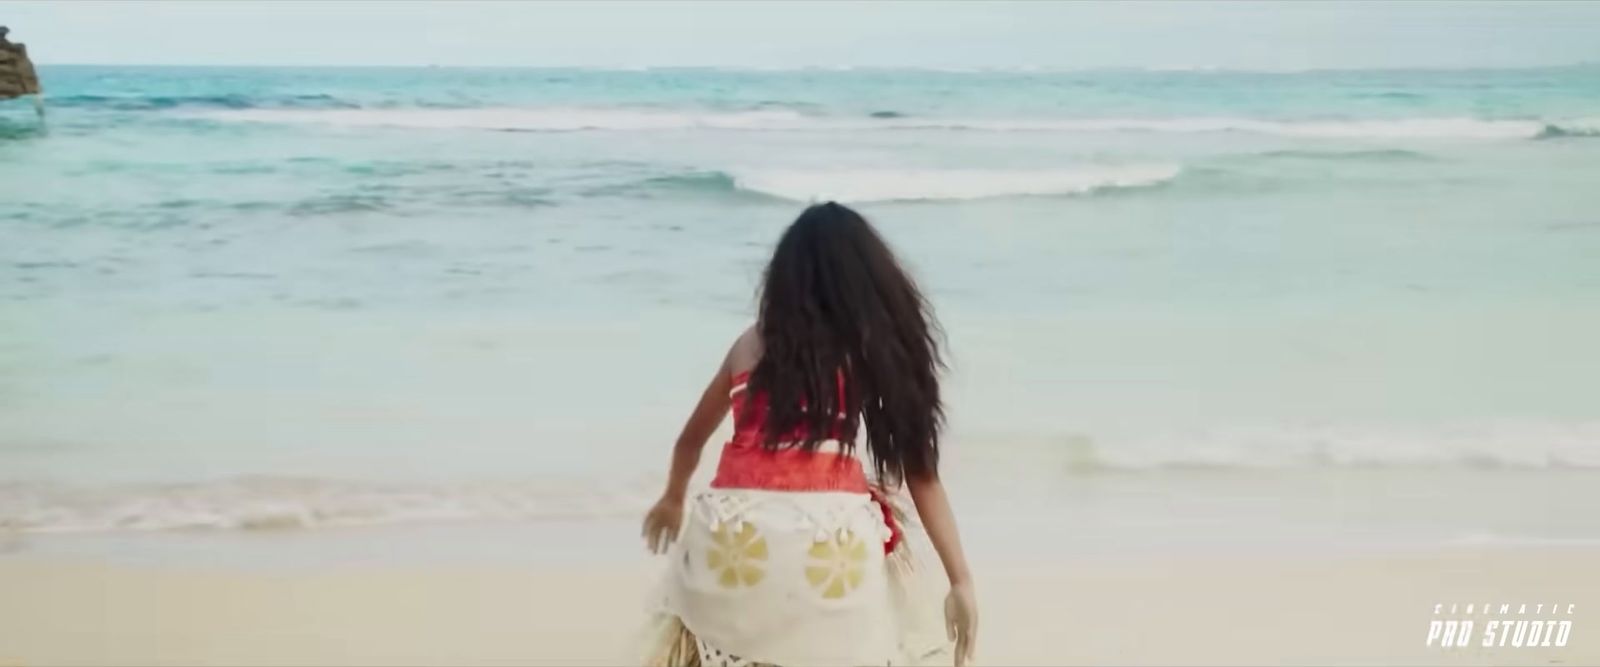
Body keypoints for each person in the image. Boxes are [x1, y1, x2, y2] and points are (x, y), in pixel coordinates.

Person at [640, 202, 978, 666]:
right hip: (830, 545)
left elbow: (689, 442)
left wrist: (673, 499)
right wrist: (960, 581)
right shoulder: (865, 349)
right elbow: (922, 477)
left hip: (731, 542)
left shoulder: (748, 344)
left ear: (783, 279)